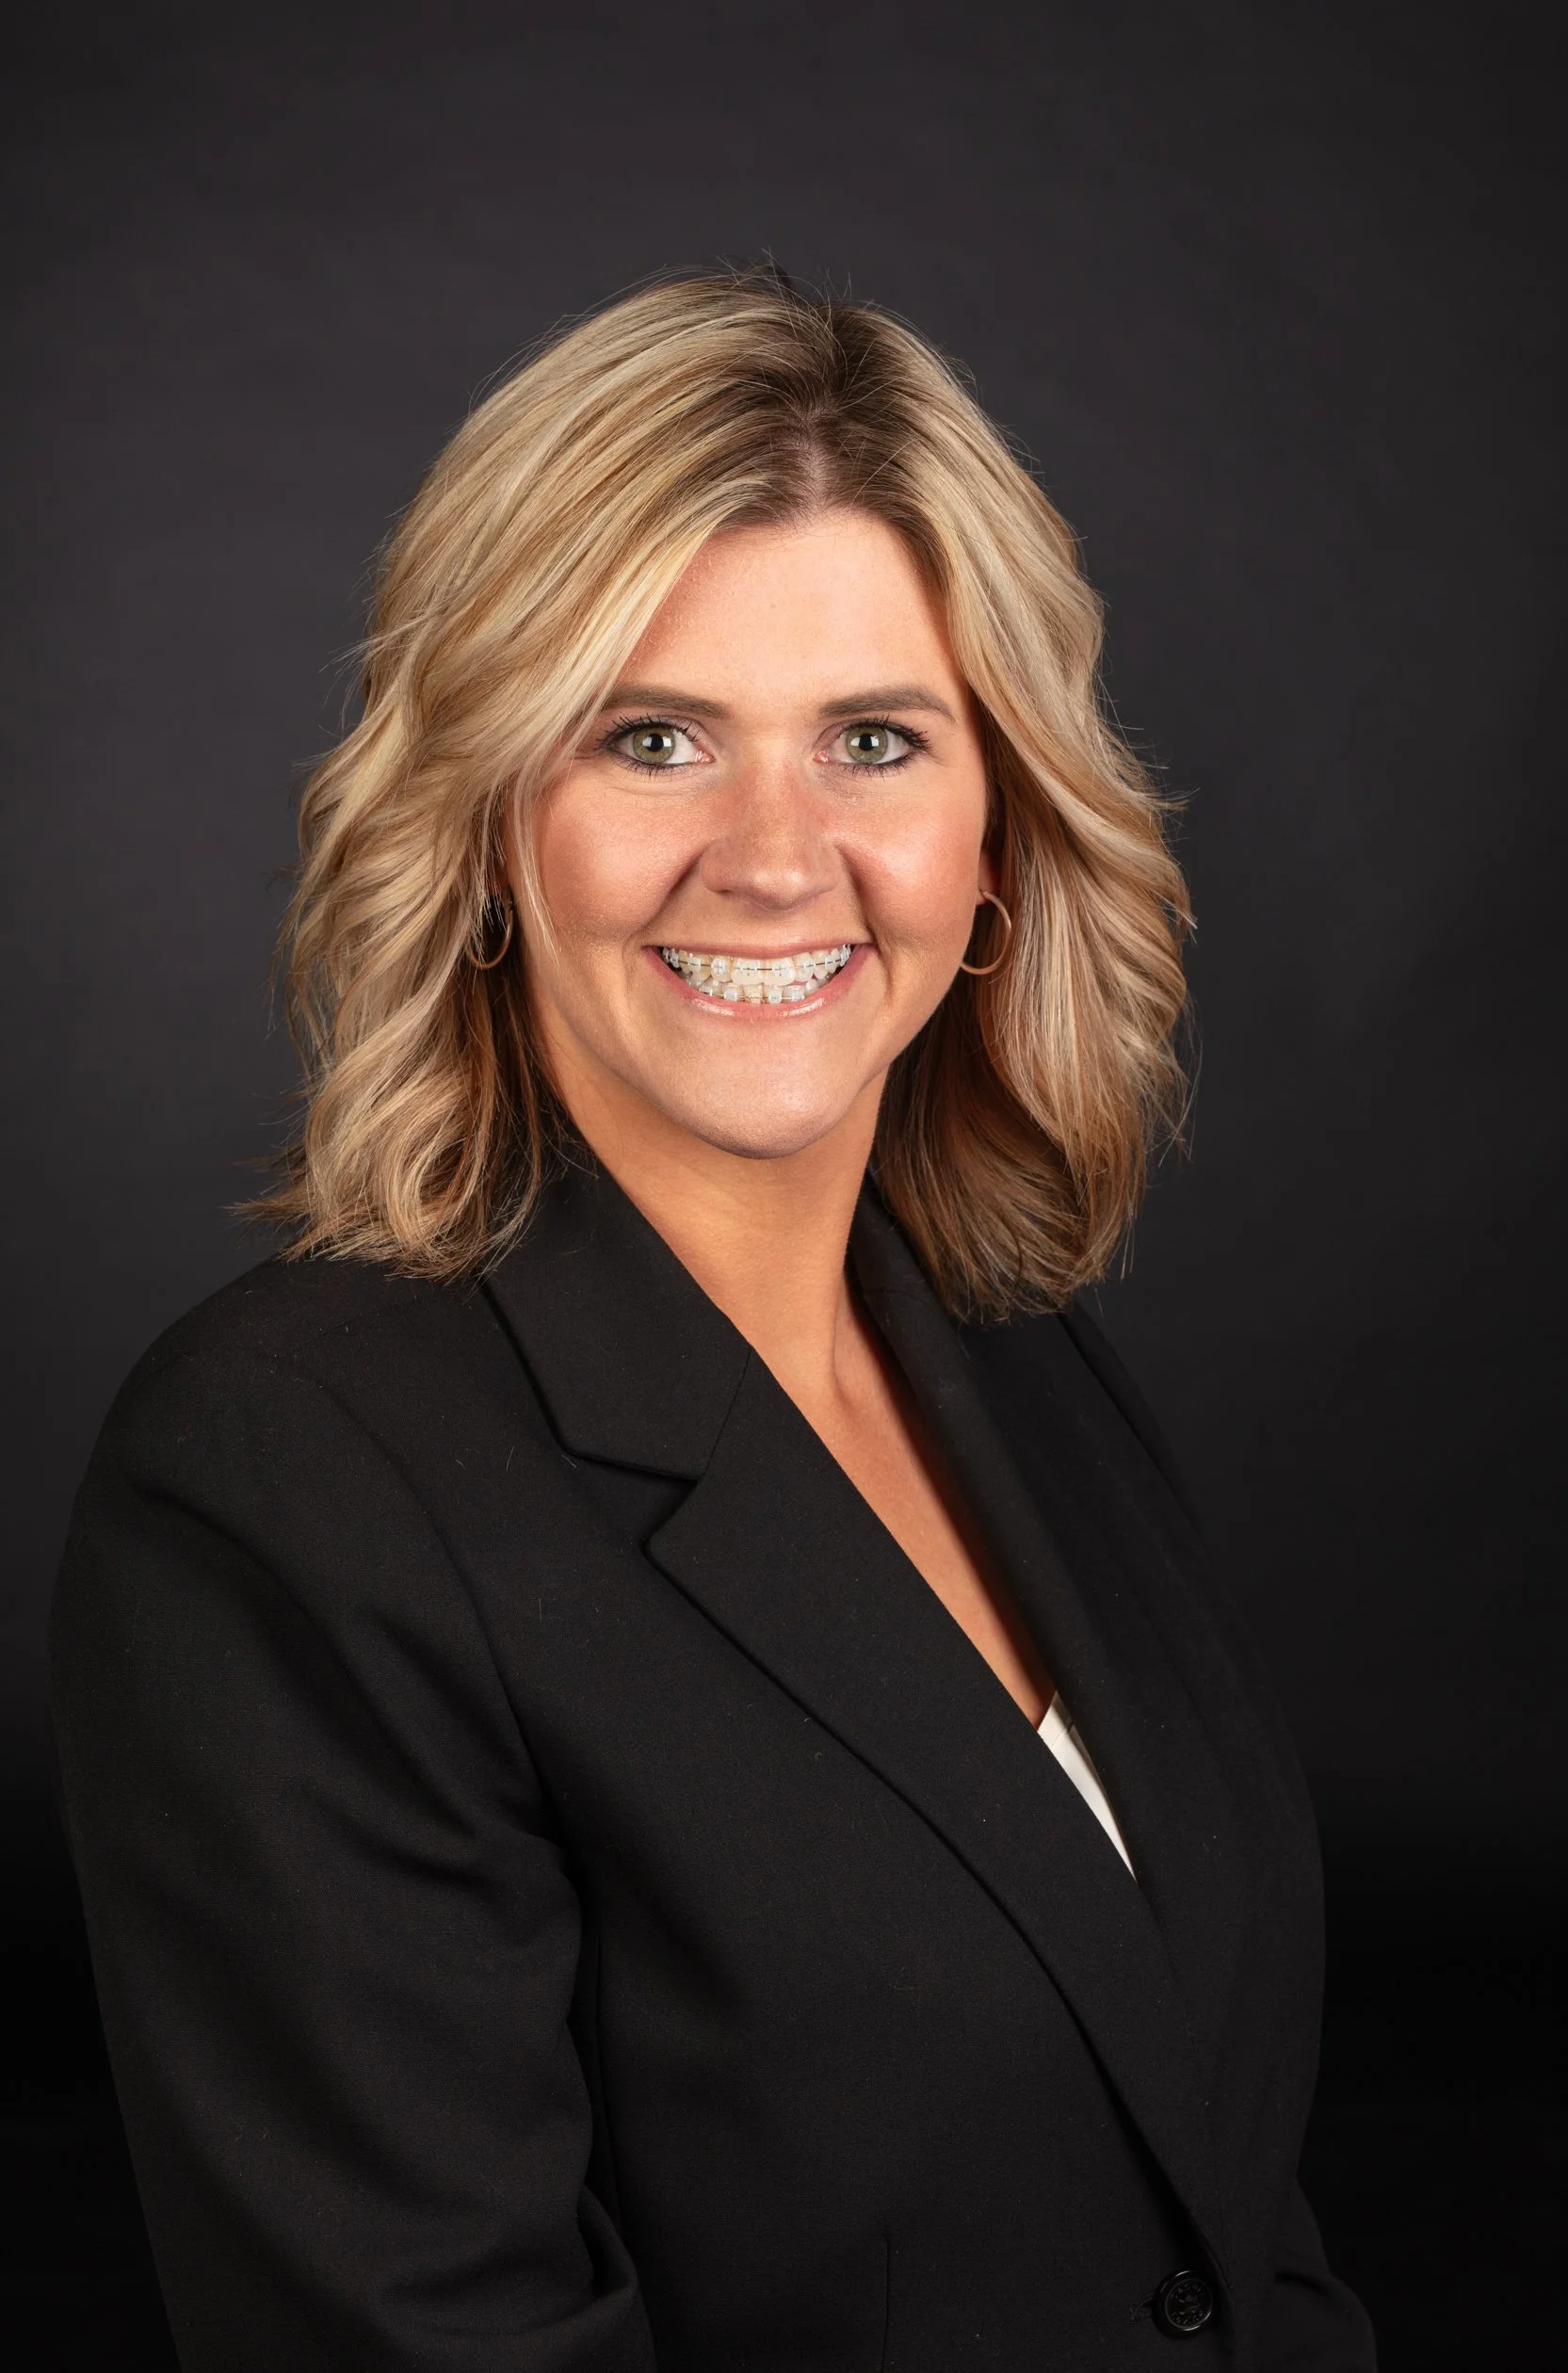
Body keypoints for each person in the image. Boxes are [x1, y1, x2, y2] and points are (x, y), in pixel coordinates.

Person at [50, 267, 1375, 2370]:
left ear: (999, 824)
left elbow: (1217, 2184)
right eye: (651, 739)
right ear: (490, 826)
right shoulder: (285, 1478)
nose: (774, 858)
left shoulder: (1007, 1345)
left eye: (875, 740)